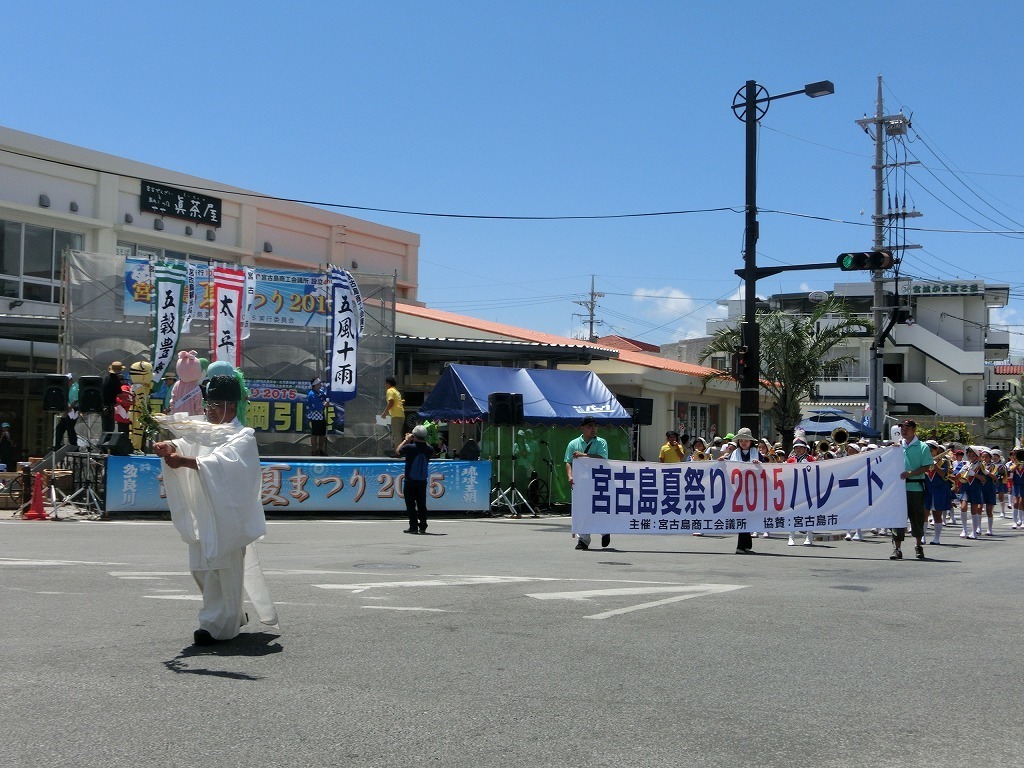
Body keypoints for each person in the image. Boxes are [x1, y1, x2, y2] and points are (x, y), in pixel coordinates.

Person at [153, 374, 278, 646]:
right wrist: (169, 446)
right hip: (202, 512)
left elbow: (224, 463)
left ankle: (217, 626)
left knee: (222, 569)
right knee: (200, 568)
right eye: (207, 404)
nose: (208, 409)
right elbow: (187, 444)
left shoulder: (243, 436)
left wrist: (184, 461)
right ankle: (229, 615)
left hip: (226, 517)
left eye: (214, 404)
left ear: (230, 407)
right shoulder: (205, 431)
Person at [566, 416, 610, 551]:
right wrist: (570, 476)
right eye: (590, 426)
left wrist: (583, 455)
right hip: (581, 482)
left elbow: (602, 458)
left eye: (595, 426)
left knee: (598, 508)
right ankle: (583, 540)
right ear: (583, 428)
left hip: (598, 481)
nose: (593, 429)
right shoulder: (573, 443)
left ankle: (604, 531)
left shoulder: (601, 442)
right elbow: (568, 461)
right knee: (582, 510)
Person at [894, 419, 933, 560]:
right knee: (897, 518)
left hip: (915, 487)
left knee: (916, 517)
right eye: (902, 428)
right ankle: (897, 548)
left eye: (907, 428)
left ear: (914, 429)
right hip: (898, 488)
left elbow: (926, 467)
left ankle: (918, 545)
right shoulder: (896, 446)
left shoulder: (922, 447)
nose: (904, 430)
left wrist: (911, 473)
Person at [723, 427, 760, 553]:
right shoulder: (735, 453)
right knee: (742, 516)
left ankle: (746, 543)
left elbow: (765, 466)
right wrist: (723, 461)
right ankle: (740, 546)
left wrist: (758, 463)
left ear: (751, 442)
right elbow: (730, 466)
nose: (744, 443)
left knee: (748, 516)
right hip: (738, 490)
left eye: (746, 441)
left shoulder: (756, 452)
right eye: (741, 441)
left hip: (753, 490)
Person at [398, 424, 435, 534]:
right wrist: (421, 439)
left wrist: (406, 440)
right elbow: (428, 448)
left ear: (414, 435)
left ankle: (413, 527)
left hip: (410, 481)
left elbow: (398, 451)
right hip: (422, 481)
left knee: (410, 505)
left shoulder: (410, 447)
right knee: (421, 504)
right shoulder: (429, 449)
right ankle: (423, 526)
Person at [53, 373, 80, 451]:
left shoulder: (75, 388)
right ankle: (57, 445)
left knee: (70, 426)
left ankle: (74, 445)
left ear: (70, 380)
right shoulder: (69, 387)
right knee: (60, 427)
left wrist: (67, 411)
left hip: (73, 409)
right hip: (68, 409)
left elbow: (74, 401)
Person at [380, 376, 406, 455]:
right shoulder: (396, 391)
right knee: (397, 433)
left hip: (396, 415)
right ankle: (397, 449)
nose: (385, 385)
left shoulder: (390, 391)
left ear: (388, 383)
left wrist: (384, 412)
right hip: (401, 415)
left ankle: (397, 451)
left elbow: (391, 402)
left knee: (396, 433)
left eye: (386, 383)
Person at [306, 377, 329, 456]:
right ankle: (314, 451)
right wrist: (325, 404)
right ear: (315, 385)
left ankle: (321, 450)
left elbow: (326, 396)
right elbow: (319, 406)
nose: (320, 385)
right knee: (315, 434)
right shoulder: (312, 394)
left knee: (322, 433)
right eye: (319, 384)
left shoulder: (320, 392)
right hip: (315, 416)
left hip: (321, 415)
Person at [101, 361, 125, 433]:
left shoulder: (107, 378)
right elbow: (120, 394)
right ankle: (107, 443)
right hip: (109, 406)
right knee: (110, 427)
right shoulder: (116, 380)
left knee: (105, 426)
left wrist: (129, 393)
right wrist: (131, 401)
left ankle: (104, 442)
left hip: (103, 405)